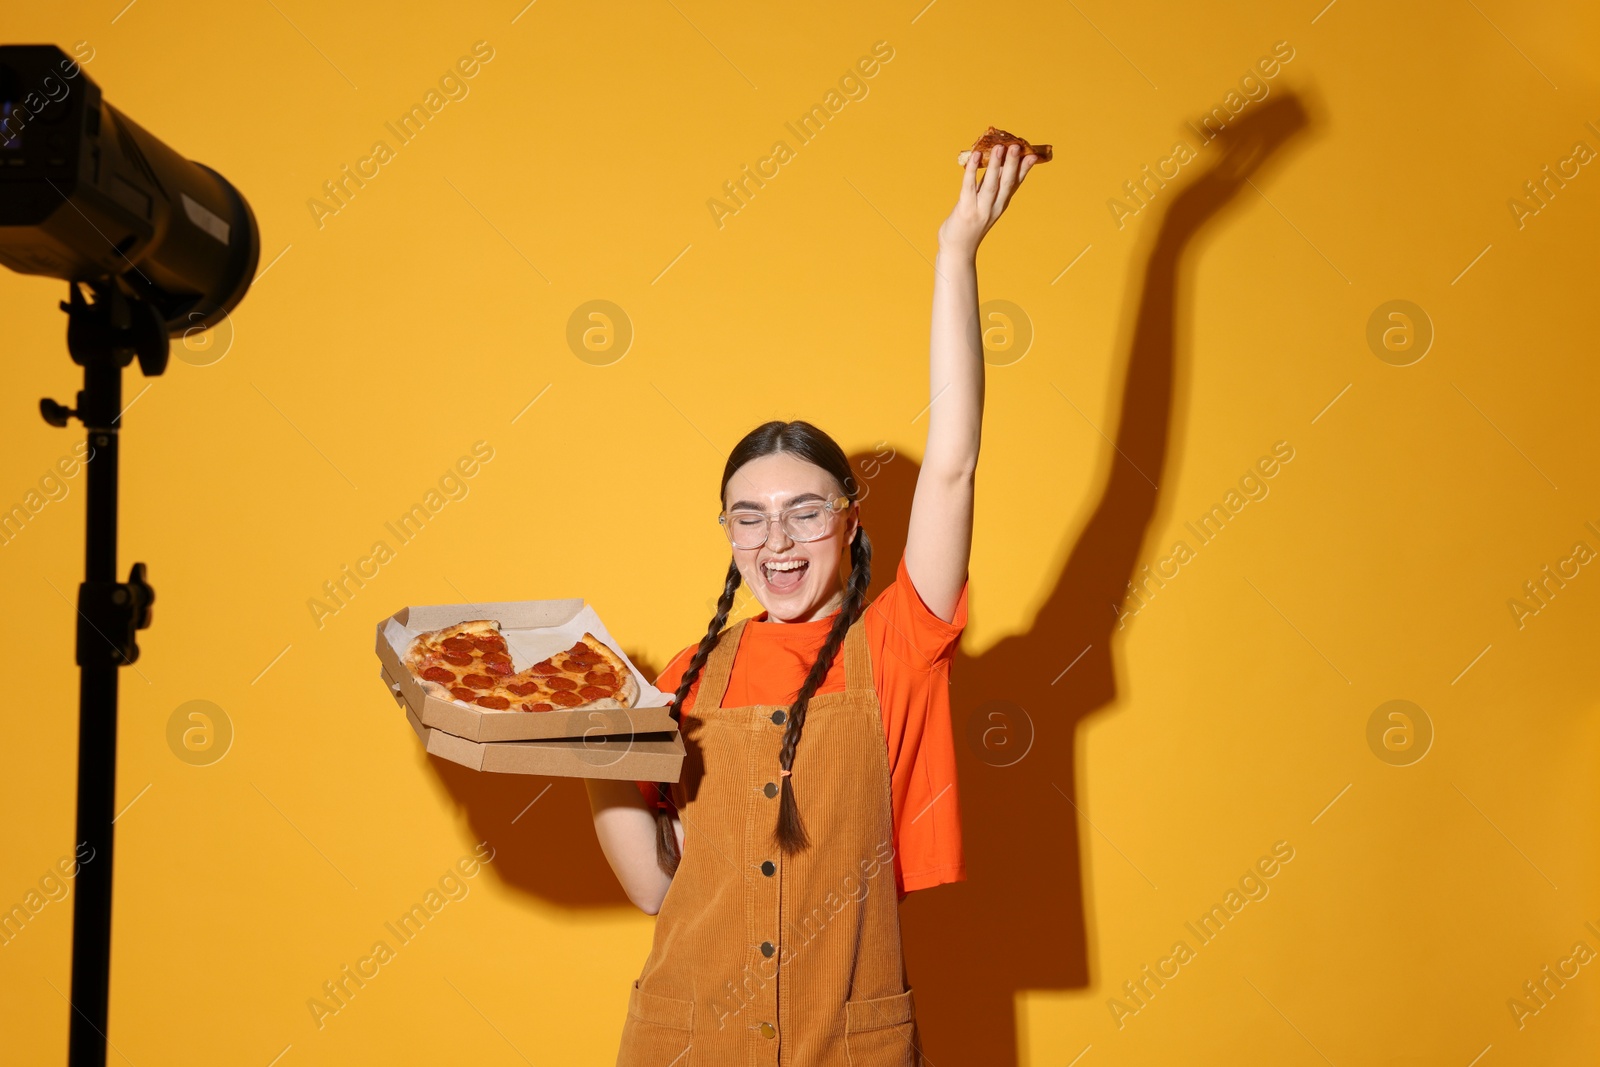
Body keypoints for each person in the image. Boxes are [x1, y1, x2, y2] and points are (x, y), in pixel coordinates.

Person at [585, 142, 1039, 1065]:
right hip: (684, 1041)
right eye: (749, 518)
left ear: (849, 519)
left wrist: (956, 251)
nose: (776, 541)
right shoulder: (685, 676)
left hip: (848, 1045)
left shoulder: (901, 642)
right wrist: (589, 739)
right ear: (727, 532)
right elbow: (654, 889)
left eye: (803, 512)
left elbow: (952, 462)